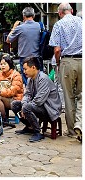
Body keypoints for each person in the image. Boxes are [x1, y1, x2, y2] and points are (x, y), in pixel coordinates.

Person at [49, 3, 82, 141]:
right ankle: (81, 123)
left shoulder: (58, 25)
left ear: (59, 13)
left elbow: (57, 49)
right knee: (82, 95)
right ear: (72, 11)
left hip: (67, 62)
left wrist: (58, 62)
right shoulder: (81, 22)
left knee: (68, 97)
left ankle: (72, 130)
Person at [11, 57, 62, 142]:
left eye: (25, 69)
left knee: (26, 107)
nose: (24, 72)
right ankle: (29, 127)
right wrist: (23, 104)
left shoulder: (43, 78)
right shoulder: (30, 79)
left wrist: (25, 107)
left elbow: (39, 100)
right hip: (39, 106)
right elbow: (27, 94)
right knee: (15, 105)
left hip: (50, 109)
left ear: (33, 67)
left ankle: (37, 132)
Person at [0, 55, 23, 127]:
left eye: (5, 64)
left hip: (15, 99)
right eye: (1, 64)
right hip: (4, 97)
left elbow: (12, 91)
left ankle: (4, 119)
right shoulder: (0, 74)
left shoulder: (16, 75)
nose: (2, 66)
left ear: (10, 64)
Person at [6, 7, 40, 85]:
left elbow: (8, 39)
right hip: (36, 57)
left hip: (24, 58)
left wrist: (14, 27)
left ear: (23, 16)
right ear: (34, 15)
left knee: (27, 80)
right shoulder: (38, 26)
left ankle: (29, 95)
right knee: (37, 80)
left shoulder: (20, 28)